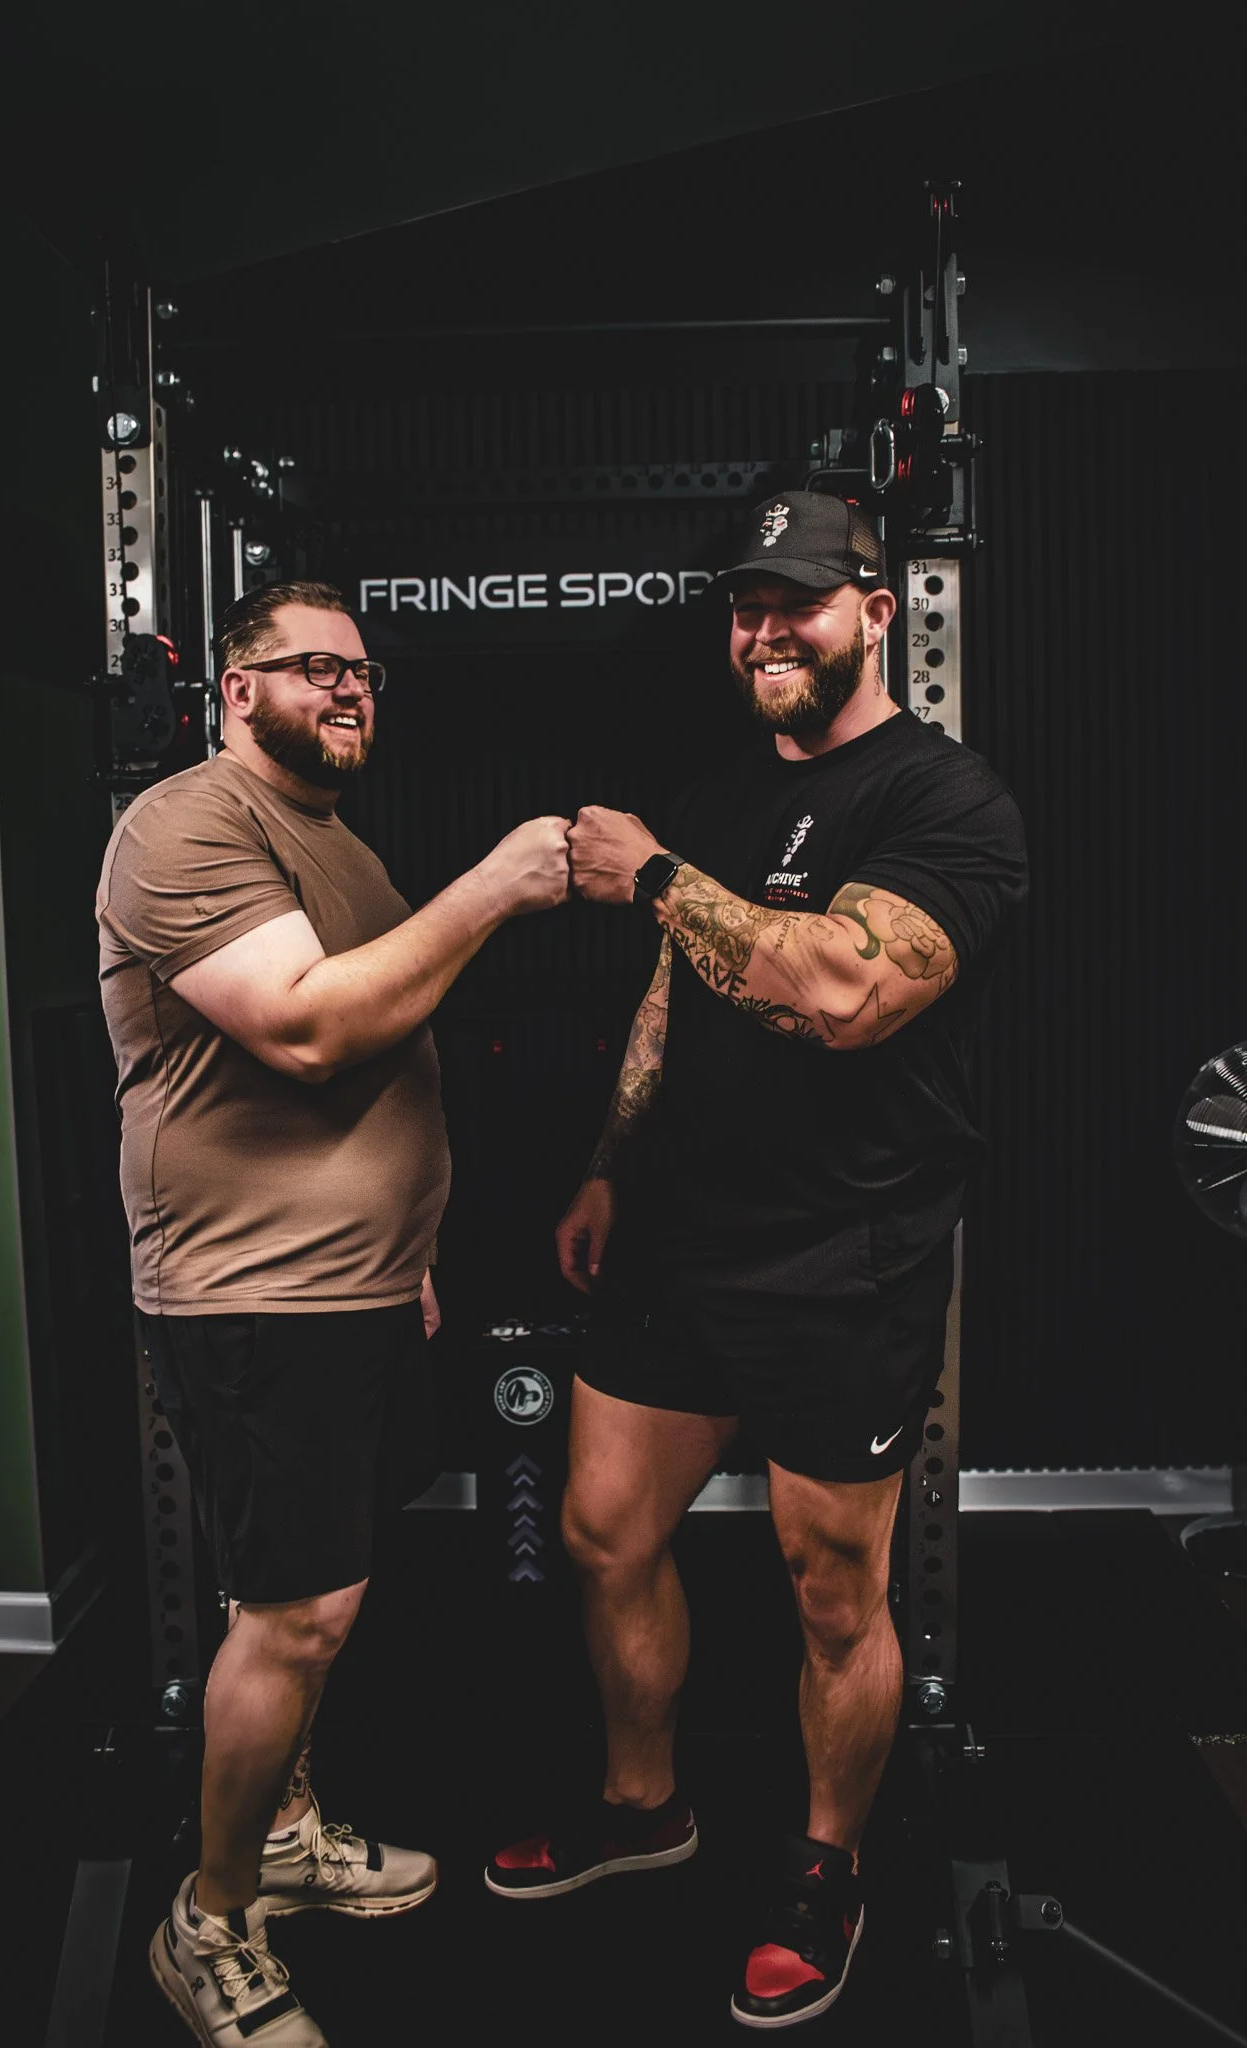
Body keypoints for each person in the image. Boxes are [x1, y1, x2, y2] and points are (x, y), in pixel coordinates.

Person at [484, 494, 1027, 2030]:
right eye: (744, 607)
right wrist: (605, 1163)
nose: (766, 632)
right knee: (600, 1533)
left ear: (875, 608)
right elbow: (680, 999)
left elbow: (845, 995)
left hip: (837, 1255)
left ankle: (826, 1863)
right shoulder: (723, 798)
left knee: (832, 1592)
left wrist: (655, 874)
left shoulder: (948, 801)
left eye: (797, 603)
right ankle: (646, 1804)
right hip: (675, 1239)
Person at [97, 579, 569, 2047]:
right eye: (315, 671)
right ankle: (212, 1916)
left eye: (363, 673)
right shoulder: (184, 827)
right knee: (298, 1613)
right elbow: (307, 1027)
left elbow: (376, 1038)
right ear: (239, 692)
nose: (351, 691)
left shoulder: (337, 844)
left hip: (358, 1291)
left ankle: (287, 1831)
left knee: (304, 1601)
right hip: (257, 1299)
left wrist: (409, 1240)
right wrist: (493, 884)